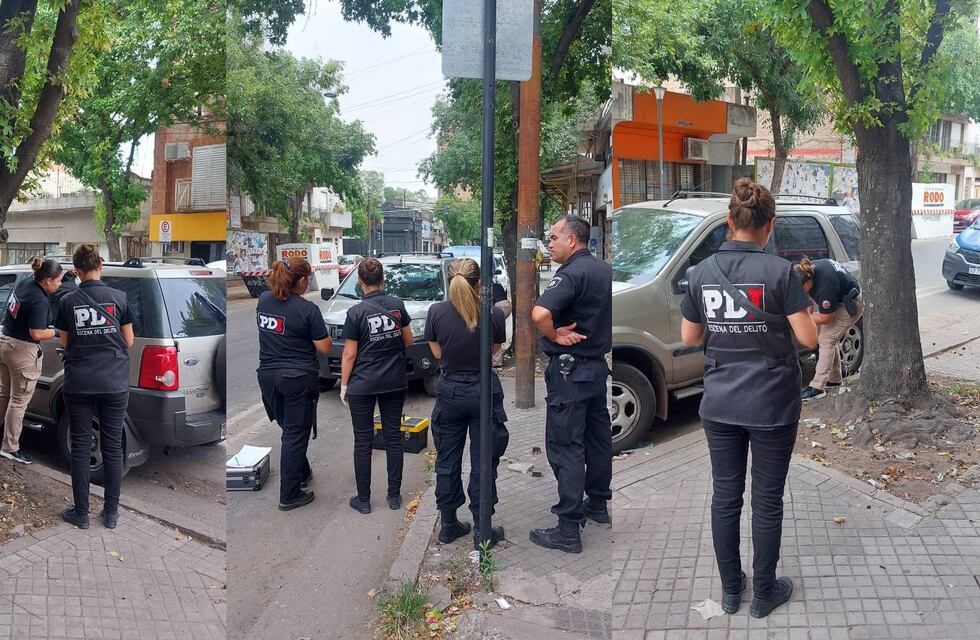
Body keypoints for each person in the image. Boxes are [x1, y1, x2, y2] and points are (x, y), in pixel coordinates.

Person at [680, 178, 817, 618]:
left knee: (725, 497)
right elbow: (809, 338)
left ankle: (729, 591)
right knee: (767, 499)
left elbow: (689, 335)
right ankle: (763, 594)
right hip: (773, 403)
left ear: (728, 222)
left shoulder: (701, 274)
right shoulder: (780, 273)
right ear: (769, 225)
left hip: (720, 403)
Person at [529, 215, 612, 554]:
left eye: (554, 237)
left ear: (573, 240)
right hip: (596, 370)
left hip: (570, 373)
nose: (549, 244)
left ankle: (567, 528)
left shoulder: (571, 274)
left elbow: (539, 314)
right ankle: (597, 504)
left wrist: (553, 334)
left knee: (566, 446)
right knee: (597, 440)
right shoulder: (605, 270)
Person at [424, 258, 509, 549]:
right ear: (479, 284)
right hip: (483, 391)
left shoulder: (436, 312)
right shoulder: (494, 314)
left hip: (449, 393)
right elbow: (495, 351)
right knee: (484, 462)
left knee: (447, 460)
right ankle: (481, 530)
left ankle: (448, 525)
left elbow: (437, 353)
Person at [55, 245, 133, 529]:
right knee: (113, 448)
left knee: (80, 446)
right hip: (114, 382)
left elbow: (64, 342)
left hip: (79, 384)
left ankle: (81, 513)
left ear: (76, 271)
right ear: (101, 264)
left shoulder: (67, 301)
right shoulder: (119, 298)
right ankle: (111, 513)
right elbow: (129, 341)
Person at [256, 257, 332, 511]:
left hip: (268, 379)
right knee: (295, 433)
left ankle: (302, 470)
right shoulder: (307, 309)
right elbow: (324, 346)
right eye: (307, 278)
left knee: (289, 428)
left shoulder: (264, 301)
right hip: (297, 379)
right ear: (301, 280)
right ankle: (289, 494)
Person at [340, 258, 412, 514]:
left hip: (363, 384)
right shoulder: (396, 305)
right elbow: (409, 340)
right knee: (394, 438)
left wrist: (344, 385)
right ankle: (394, 497)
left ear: (360, 282)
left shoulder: (355, 312)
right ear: (383, 279)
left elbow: (349, 354)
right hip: (394, 382)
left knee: (363, 441)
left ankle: (364, 499)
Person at [0, 258, 65, 465]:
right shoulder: (40, 300)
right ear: (47, 281)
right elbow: (36, 332)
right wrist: (56, 330)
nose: (61, 284)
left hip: (5, 343)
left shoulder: (26, 282)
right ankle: (10, 447)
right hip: (22, 350)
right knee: (18, 401)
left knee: (3, 394)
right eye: (59, 280)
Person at [795, 256, 863, 402]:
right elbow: (807, 300)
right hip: (839, 298)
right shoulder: (808, 270)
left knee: (826, 340)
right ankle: (834, 379)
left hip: (850, 305)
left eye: (800, 289)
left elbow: (826, 318)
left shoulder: (825, 286)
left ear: (807, 283)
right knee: (828, 339)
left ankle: (817, 388)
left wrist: (803, 319)